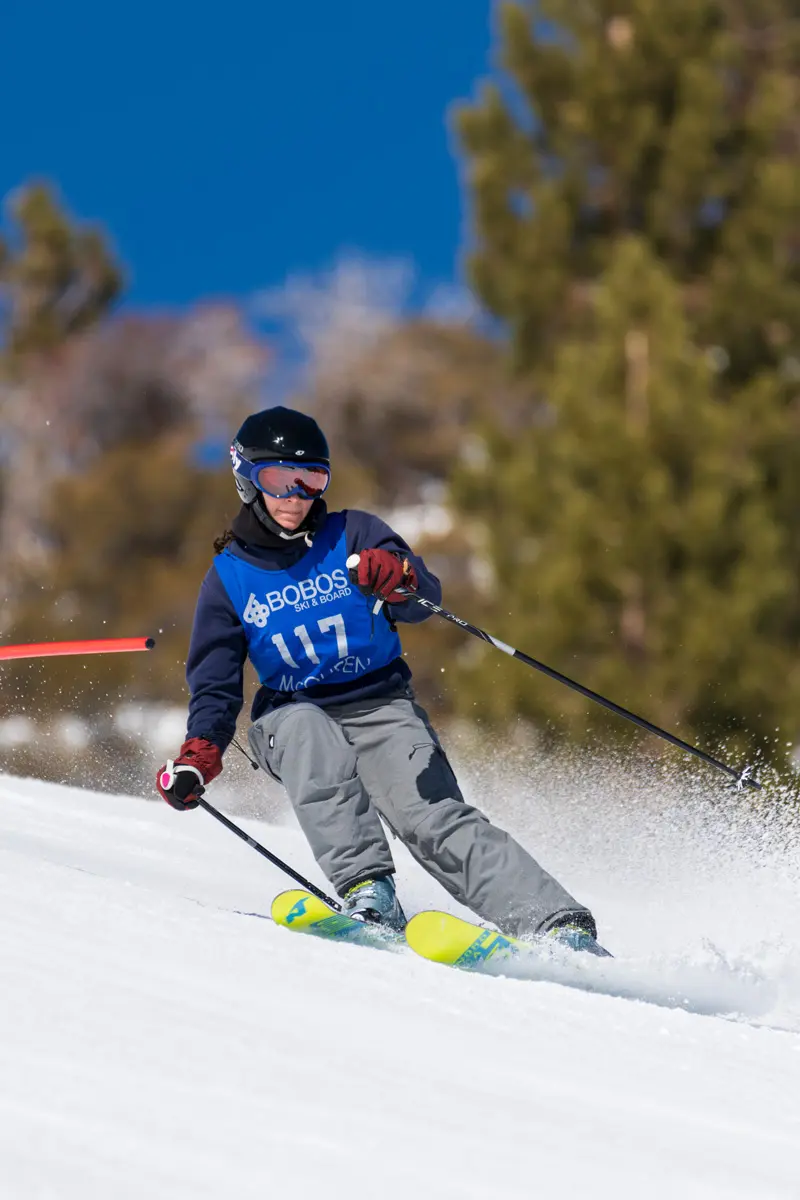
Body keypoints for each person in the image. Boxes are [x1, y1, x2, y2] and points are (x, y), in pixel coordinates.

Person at [157, 406, 605, 953]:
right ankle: (369, 891)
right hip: (289, 714)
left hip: (381, 704)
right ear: (247, 478)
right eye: (279, 479)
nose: (297, 495)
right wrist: (200, 751)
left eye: (312, 478)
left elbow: (422, 599)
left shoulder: (354, 532)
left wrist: (399, 579)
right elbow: (216, 680)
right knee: (306, 733)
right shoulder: (228, 576)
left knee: (431, 815)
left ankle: (553, 924)